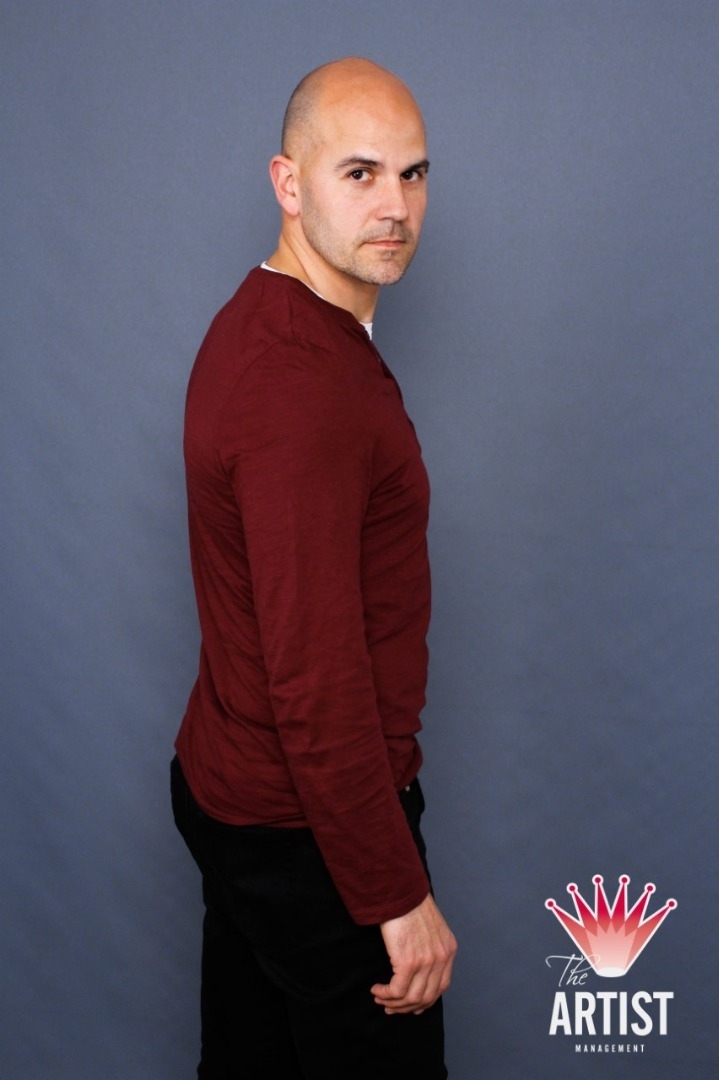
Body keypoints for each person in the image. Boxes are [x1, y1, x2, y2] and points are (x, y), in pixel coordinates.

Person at [171, 56, 457, 1080]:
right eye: (360, 173)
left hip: (244, 797)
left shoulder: (275, 324)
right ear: (288, 184)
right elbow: (314, 674)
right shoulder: (300, 387)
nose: (395, 207)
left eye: (413, 174)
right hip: (310, 834)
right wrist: (391, 892)